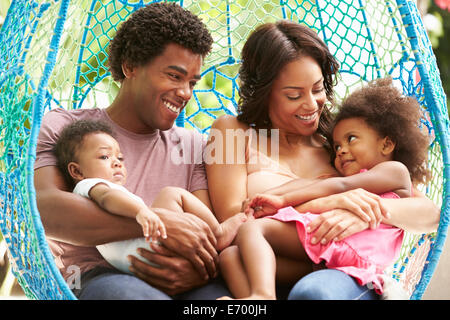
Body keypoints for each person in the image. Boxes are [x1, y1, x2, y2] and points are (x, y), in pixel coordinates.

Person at [206, 20, 440, 300]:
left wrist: (368, 215)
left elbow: (429, 215)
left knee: (315, 293)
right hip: (268, 262)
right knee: (231, 257)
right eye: (294, 95)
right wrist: (332, 202)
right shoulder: (231, 132)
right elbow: (235, 220)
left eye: (317, 89)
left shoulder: (339, 143)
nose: (311, 104)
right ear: (264, 92)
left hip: (338, 269)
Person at [34, 2, 230, 299]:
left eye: (192, 82)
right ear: (130, 67)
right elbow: (46, 209)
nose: (185, 93)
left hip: (183, 278)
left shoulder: (193, 146)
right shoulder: (65, 127)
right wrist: (155, 222)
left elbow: (202, 235)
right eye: (174, 76)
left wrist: (199, 270)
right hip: (94, 276)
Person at [53, 120, 248, 273]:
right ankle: (217, 232)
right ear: (76, 171)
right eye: (104, 157)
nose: (117, 163)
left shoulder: (97, 189)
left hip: (144, 263)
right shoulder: (89, 185)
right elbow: (108, 198)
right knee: (171, 193)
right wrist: (142, 212)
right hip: (153, 250)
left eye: (119, 158)